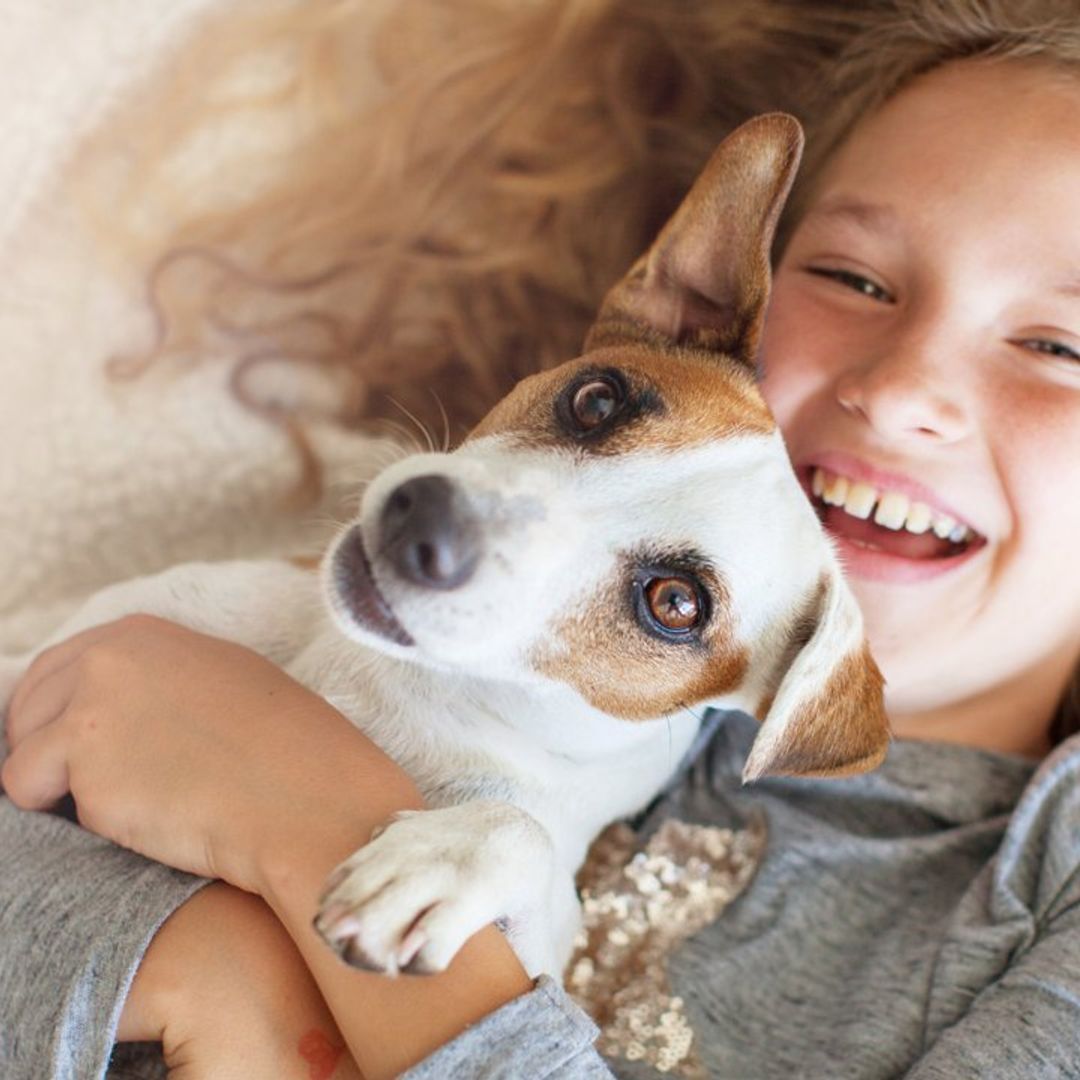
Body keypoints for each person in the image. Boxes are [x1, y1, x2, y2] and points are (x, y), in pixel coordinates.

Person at [2, 0, 1080, 1076]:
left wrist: (295, 833)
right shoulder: (379, 590)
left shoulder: (1051, 880)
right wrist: (189, 967)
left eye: (1060, 345)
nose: (901, 393)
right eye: (855, 278)